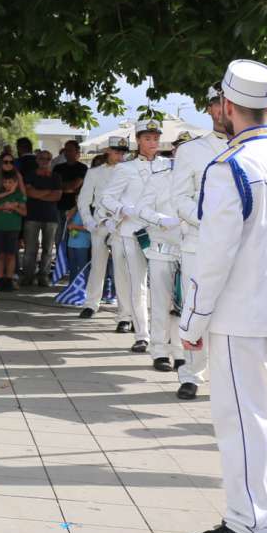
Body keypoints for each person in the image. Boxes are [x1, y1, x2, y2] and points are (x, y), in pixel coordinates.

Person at [177, 60, 267, 533]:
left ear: (228, 107)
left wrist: (193, 320)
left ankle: (248, 525)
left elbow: (215, 255)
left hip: (243, 312)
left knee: (244, 418)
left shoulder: (230, 165)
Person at [168, 87, 227, 399]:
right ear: (209, 109)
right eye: (217, 104)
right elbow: (179, 199)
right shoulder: (192, 151)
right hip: (199, 242)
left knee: (232, 310)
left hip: (241, 247)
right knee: (195, 308)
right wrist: (211, 222)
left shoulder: (254, 149)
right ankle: (191, 372)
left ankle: (228, 374)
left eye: (228, 104)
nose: (222, 110)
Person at [99, 119, 175, 357]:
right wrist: (123, 209)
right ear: (138, 140)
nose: (152, 142)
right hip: (133, 232)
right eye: (147, 138)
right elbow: (107, 198)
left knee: (165, 286)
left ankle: (165, 335)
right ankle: (142, 335)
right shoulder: (126, 168)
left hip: (161, 233)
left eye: (155, 138)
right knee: (138, 285)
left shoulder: (169, 165)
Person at [74, 139, 126, 320]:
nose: (120, 156)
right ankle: (91, 304)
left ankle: (124, 309)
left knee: (121, 267)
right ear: (108, 151)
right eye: (116, 152)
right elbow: (84, 199)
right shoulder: (94, 172)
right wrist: (88, 221)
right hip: (100, 221)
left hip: (121, 222)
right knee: (98, 264)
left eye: (122, 152)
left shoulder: (129, 171)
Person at [20, 148, 63, 286]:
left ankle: (43, 276)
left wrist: (37, 193)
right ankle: (28, 276)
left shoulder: (56, 176)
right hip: (32, 216)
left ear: (51, 161)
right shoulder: (30, 175)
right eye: (42, 158)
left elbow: (57, 195)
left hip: (51, 217)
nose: (44, 161)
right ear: (37, 160)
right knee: (30, 249)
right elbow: (28, 193)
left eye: (47, 159)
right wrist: (48, 193)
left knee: (48, 249)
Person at [0, 155, 27, 289]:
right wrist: (2, 207)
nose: (8, 164)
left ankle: (9, 279)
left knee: (11, 254)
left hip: (13, 227)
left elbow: (24, 211)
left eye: (11, 162)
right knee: (0, 254)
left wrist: (15, 207)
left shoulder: (18, 195)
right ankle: (0, 278)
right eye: (5, 162)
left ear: (15, 182)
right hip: (0, 227)